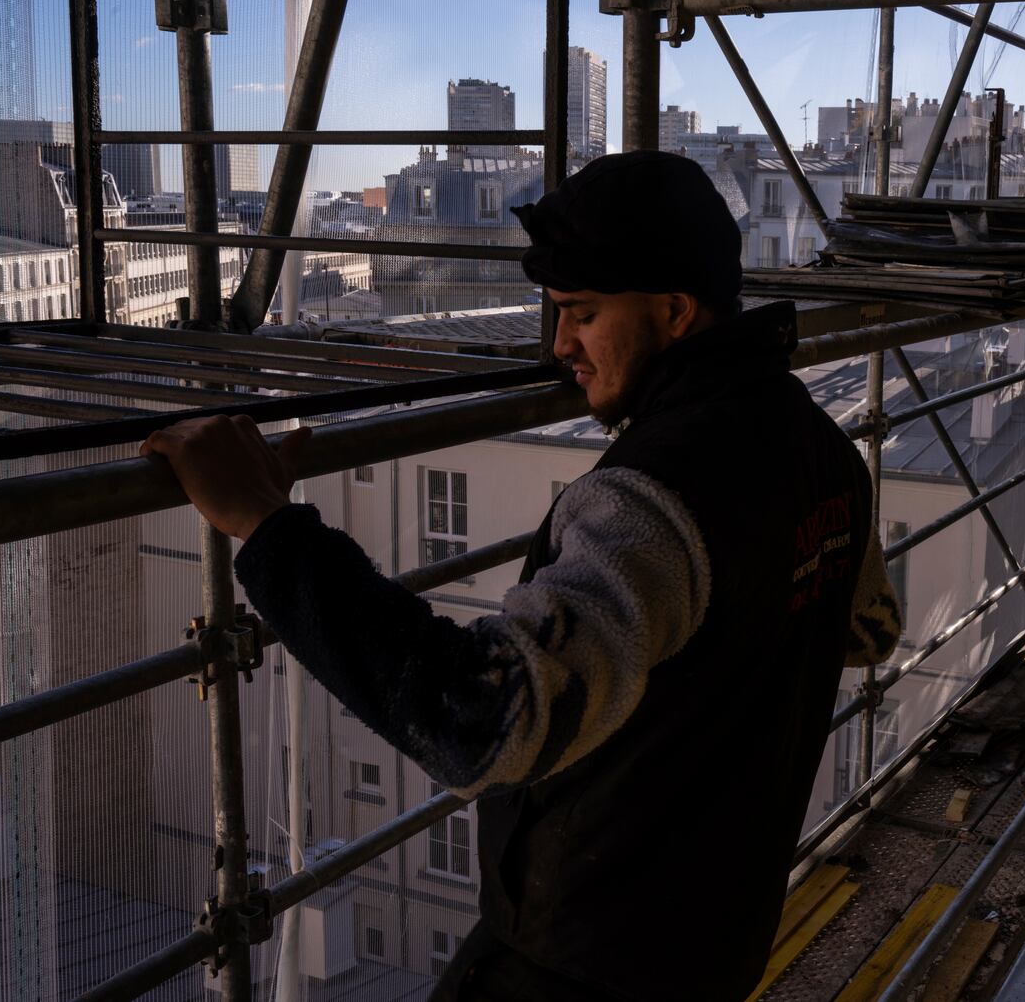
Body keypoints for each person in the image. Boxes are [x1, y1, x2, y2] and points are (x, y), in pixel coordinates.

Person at [141, 151, 903, 1001]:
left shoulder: (653, 506)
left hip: (587, 957)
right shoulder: (827, 452)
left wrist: (266, 523)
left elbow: (480, 721)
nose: (558, 345)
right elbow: (869, 631)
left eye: (580, 312)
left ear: (675, 310)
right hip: (717, 936)